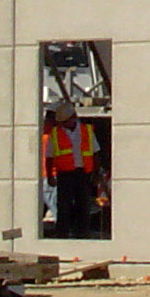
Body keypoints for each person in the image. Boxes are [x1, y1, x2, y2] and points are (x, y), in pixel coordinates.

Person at [41, 101, 100, 238]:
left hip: (82, 173)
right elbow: (49, 157)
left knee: (83, 204)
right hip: (64, 174)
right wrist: (50, 176)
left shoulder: (86, 131)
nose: (63, 125)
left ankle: (83, 232)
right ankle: (63, 232)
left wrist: (95, 173)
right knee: (63, 205)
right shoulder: (55, 134)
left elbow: (95, 152)